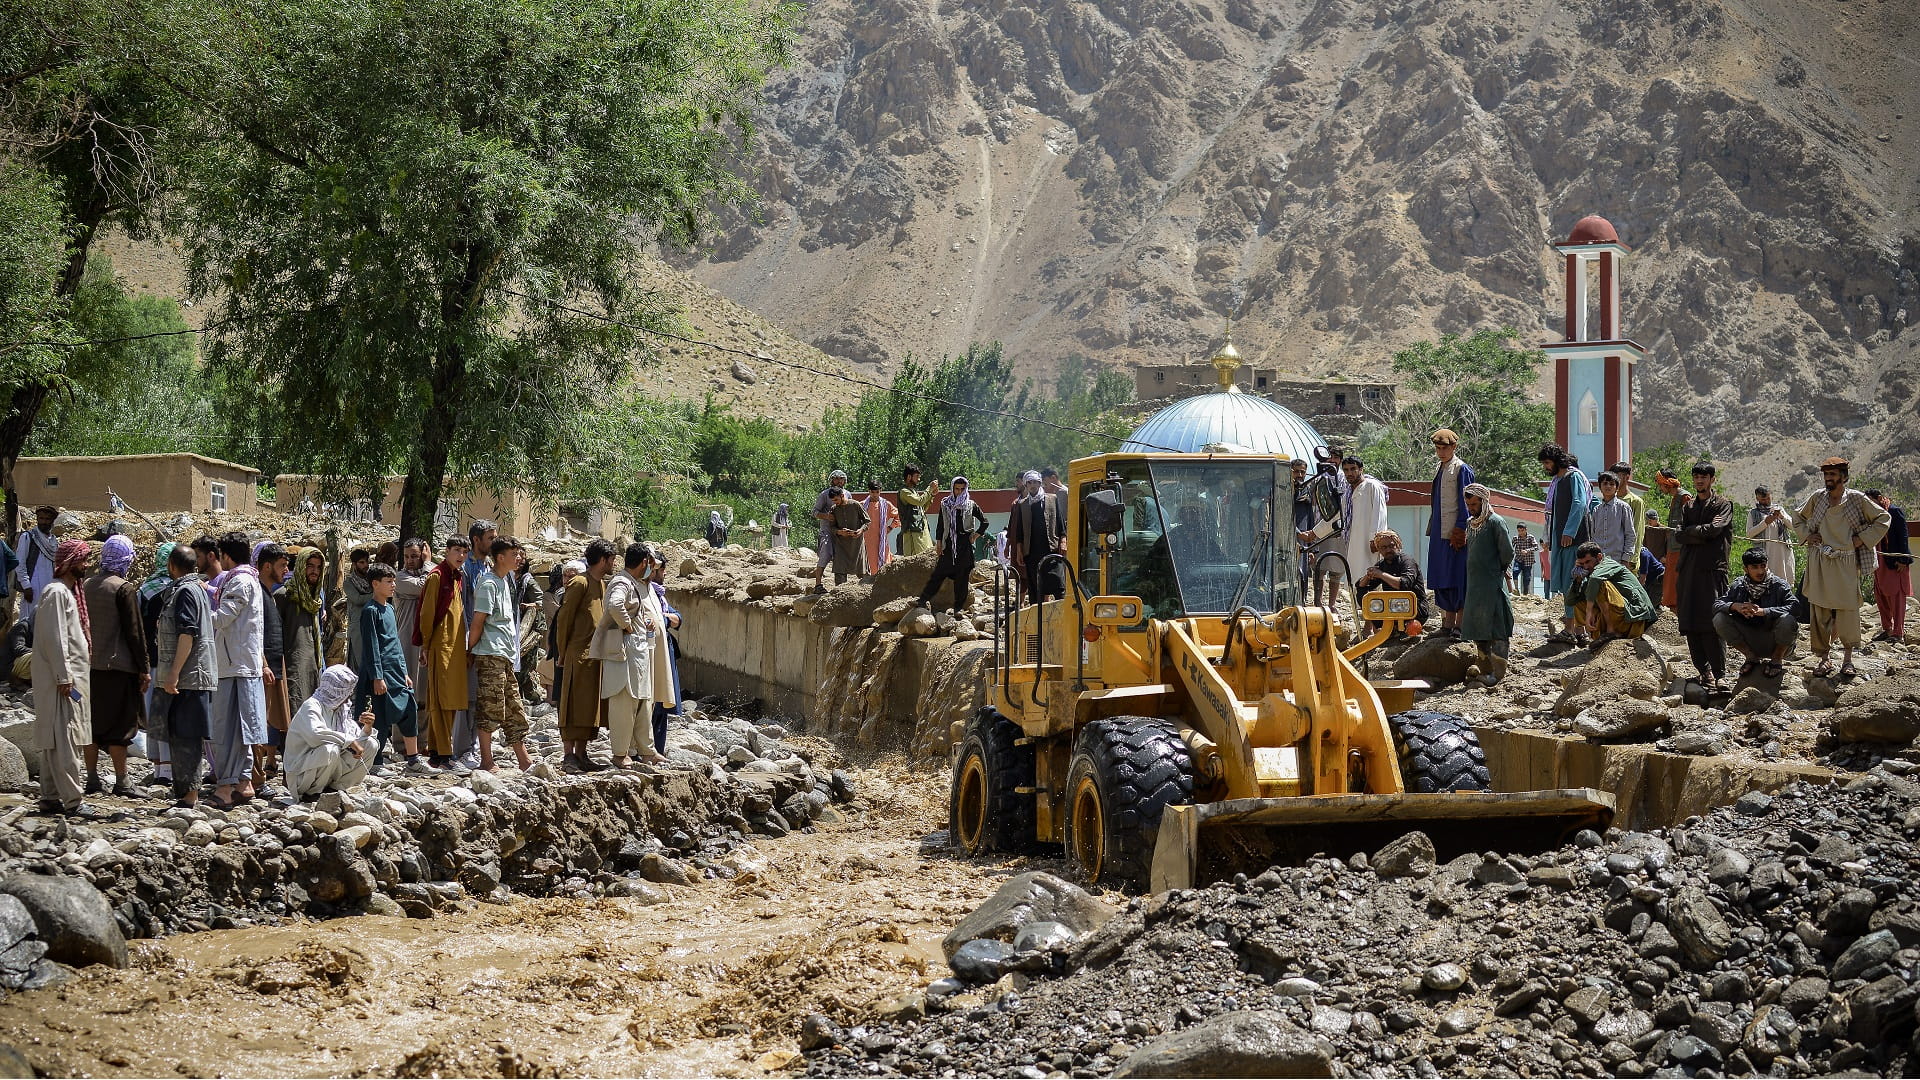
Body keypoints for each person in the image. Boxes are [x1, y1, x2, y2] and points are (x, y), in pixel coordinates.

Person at [1792, 457, 1890, 679]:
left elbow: (1883, 518)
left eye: (1833, 475)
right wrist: (1808, 535)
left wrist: (1861, 539)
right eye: (1826, 475)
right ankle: (1824, 659)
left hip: (1846, 561)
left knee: (1847, 610)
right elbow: (1797, 516)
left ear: (1843, 477)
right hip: (1819, 560)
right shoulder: (1817, 498)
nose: (1829, 479)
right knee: (1819, 610)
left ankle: (1847, 660)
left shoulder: (1856, 499)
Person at [355, 561, 436, 775]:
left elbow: (396, 643)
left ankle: (413, 760)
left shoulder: (390, 608)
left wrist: (405, 672)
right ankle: (376, 761)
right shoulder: (370, 611)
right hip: (380, 674)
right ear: (375, 584)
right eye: (388, 581)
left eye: (393, 581)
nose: (393, 585)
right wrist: (377, 677)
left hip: (396, 672)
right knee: (379, 717)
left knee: (409, 710)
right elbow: (372, 646)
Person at [31, 539, 93, 815]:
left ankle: (50, 796)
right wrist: (63, 677)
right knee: (65, 739)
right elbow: (56, 639)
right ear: (69, 562)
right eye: (83, 560)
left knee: (56, 739)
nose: (87, 565)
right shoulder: (56, 593)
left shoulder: (65, 592)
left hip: (69, 680)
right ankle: (74, 800)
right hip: (63, 682)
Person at [598, 543, 673, 767]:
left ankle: (646, 750)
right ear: (643, 563)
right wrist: (628, 625)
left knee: (643, 703)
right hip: (624, 655)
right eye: (650, 564)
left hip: (638, 653)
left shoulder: (635, 584)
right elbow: (614, 604)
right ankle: (620, 753)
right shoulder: (622, 582)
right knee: (624, 704)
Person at [83, 535, 146, 797]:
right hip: (118, 668)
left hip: (88, 667)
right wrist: (144, 668)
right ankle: (122, 781)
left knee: (91, 724)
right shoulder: (124, 588)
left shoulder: (86, 585)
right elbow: (134, 633)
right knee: (120, 727)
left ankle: (93, 779)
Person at [209, 532, 267, 808]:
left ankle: (225, 787)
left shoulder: (240, 581)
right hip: (243, 664)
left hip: (234, 667)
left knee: (228, 728)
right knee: (243, 727)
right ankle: (244, 783)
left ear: (226, 555)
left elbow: (222, 618)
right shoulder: (248, 580)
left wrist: (196, 613)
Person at [153, 544, 214, 807]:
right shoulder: (193, 588)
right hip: (192, 676)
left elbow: (187, 634)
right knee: (179, 733)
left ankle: (190, 796)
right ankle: (186, 792)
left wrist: (174, 674)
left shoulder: (187, 591)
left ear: (171, 566)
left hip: (189, 677)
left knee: (186, 735)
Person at [467, 539, 531, 772]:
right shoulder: (489, 584)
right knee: (491, 706)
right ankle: (486, 760)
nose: (519, 557)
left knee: (513, 706)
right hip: (490, 654)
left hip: (504, 655)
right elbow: (478, 622)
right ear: (500, 557)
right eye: (514, 554)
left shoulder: (505, 582)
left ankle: (524, 759)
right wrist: (470, 650)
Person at [555, 538, 616, 772]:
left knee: (589, 707)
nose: (613, 564)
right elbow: (564, 619)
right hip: (577, 654)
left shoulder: (600, 584)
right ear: (602, 560)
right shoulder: (579, 583)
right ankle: (568, 756)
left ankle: (582, 754)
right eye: (611, 560)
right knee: (572, 705)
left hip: (595, 655)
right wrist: (562, 651)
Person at [1673, 462, 1734, 690]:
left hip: (1712, 570)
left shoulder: (1723, 504)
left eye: (1704, 477)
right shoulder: (1688, 507)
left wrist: (1692, 532)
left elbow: (1715, 530)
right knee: (1689, 620)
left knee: (1712, 622)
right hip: (1688, 570)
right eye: (1696, 477)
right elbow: (1678, 535)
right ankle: (1703, 671)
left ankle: (1720, 674)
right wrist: (1698, 532)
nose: (1699, 481)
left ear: (1712, 480)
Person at [415, 536, 471, 773]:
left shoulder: (457, 577)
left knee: (450, 701)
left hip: (455, 647)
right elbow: (426, 615)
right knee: (441, 700)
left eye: (464, 552)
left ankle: (438, 753)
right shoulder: (437, 576)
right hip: (441, 645)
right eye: (456, 550)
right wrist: (426, 646)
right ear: (446, 551)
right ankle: (444, 754)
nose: (460, 556)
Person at [284, 665, 379, 801]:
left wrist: (367, 727)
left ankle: (335, 789)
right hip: (302, 773)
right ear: (335, 690)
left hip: (329, 769)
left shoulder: (340, 709)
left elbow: (356, 740)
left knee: (371, 744)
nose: (348, 697)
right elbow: (316, 735)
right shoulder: (311, 706)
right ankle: (312, 793)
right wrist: (350, 742)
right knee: (331, 748)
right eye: (346, 692)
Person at [1459, 484, 1515, 686]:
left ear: (1484, 501)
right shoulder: (1470, 523)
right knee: (1479, 629)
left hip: (1492, 584)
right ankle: (1485, 670)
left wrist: (1495, 571)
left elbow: (1507, 553)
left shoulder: (1495, 522)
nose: (1471, 508)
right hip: (1475, 586)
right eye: (1468, 504)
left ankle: (1498, 674)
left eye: (1474, 504)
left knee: (1497, 628)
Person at [1714, 548, 1797, 679]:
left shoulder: (1779, 585)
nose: (1760, 571)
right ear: (1746, 569)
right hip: (1751, 640)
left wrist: (1764, 612)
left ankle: (1776, 659)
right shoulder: (1738, 585)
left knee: (1788, 619)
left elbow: (1796, 608)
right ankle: (1750, 657)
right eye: (1754, 567)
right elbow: (1717, 605)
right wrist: (1735, 606)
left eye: (1763, 566)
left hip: (1776, 640)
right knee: (1719, 618)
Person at [136, 542, 179, 789]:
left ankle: (159, 769)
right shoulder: (176, 589)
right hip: (172, 663)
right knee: (169, 716)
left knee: (155, 716)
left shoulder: (145, 590)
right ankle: (168, 769)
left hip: (150, 661)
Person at [1539, 443, 1591, 641]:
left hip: (1574, 541)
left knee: (1573, 585)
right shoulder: (1558, 481)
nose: (1546, 467)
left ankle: (1572, 630)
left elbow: (1579, 503)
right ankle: (1577, 630)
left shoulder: (1573, 477)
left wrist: (1569, 531)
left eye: (1547, 462)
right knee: (1567, 585)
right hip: (1562, 542)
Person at [1426, 429, 1475, 637]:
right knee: (1441, 576)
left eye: (1444, 448)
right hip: (1439, 531)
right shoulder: (1441, 468)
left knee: (1458, 577)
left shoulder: (1461, 469)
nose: (1441, 452)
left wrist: (1461, 529)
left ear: (1454, 447)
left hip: (1455, 534)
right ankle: (1447, 623)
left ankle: (1460, 624)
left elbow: (1468, 503)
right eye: (1438, 448)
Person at [918, 477, 989, 614]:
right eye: (957, 489)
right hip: (949, 544)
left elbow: (984, 522)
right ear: (952, 488)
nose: (959, 492)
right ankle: (922, 600)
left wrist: (975, 535)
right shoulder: (945, 504)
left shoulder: (970, 504)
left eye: (962, 489)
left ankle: (958, 608)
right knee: (938, 574)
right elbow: (940, 525)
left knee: (962, 579)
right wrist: (939, 543)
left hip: (964, 545)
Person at [1566, 541, 1657, 645]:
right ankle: (1604, 633)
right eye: (1582, 564)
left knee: (1601, 584)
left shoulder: (1607, 565)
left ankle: (1611, 631)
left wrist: (1589, 612)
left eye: (1588, 562)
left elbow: (1596, 578)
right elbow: (1570, 601)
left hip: (1636, 616)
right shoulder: (1589, 575)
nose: (1586, 567)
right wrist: (1578, 580)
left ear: (1599, 557)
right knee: (1579, 601)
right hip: (1622, 618)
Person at [255, 542, 290, 785]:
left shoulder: (268, 593)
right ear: (267, 566)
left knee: (276, 721)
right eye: (281, 566)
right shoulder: (258, 593)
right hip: (265, 670)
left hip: (276, 668)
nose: (286, 570)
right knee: (259, 723)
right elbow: (255, 634)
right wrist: (264, 664)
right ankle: (255, 778)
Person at [644, 548, 684, 758]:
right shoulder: (641, 589)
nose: (664, 573)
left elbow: (676, 618)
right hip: (649, 651)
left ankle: (656, 750)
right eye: (661, 569)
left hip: (662, 650)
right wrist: (665, 619)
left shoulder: (658, 594)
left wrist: (665, 618)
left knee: (661, 705)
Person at [1354, 531, 1431, 637]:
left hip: (1414, 610)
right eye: (1384, 547)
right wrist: (1368, 576)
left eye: (1391, 546)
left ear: (1398, 545)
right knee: (1363, 593)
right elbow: (1360, 585)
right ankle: (1386, 628)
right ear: (1379, 550)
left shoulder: (1407, 561)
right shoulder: (1382, 565)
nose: (1388, 550)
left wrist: (1381, 574)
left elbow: (1404, 584)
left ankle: (1401, 630)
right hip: (1391, 610)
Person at [1009, 470, 1065, 604]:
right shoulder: (1023, 504)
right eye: (1029, 483)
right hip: (1032, 552)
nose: (1032, 485)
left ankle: (1063, 619)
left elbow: (1060, 523)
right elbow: (1020, 532)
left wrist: (1063, 540)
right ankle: (1038, 621)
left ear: (1040, 483)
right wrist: (1019, 551)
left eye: (1035, 482)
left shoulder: (1052, 499)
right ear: (1026, 485)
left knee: (1058, 586)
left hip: (1050, 549)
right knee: (1035, 589)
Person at [1340, 456, 1389, 597]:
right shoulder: (1347, 492)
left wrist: (1376, 539)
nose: (1349, 473)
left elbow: (1379, 514)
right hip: (1352, 543)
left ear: (1361, 469)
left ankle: (1372, 616)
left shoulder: (1372, 486)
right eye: (1346, 470)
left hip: (1370, 545)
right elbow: (1338, 517)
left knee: (1371, 578)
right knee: (1356, 579)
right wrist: (1314, 533)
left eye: (1353, 469)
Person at [1869, 489, 1912, 644]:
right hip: (1879, 561)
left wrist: (1903, 559)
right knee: (1881, 596)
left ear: (1879, 498)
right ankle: (1887, 629)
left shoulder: (1894, 511)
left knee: (1896, 597)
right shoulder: (1872, 516)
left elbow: (1903, 535)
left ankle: (1898, 632)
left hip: (1895, 562)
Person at [12, 505, 61, 625]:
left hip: (49, 586)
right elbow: (20, 563)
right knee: (29, 622)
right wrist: (26, 586)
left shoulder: (54, 541)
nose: (43, 522)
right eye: (41, 518)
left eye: (47, 519)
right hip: (33, 587)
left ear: (52, 521)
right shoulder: (28, 537)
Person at [512, 545, 547, 705]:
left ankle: (531, 697)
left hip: (530, 630)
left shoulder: (528, 581)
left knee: (526, 665)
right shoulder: (512, 579)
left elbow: (540, 601)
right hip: (517, 627)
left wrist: (529, 605)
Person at [548, 558, 584, 709]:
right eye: (565, 576)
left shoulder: (582, 598)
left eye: (571, 576)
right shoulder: (563, 596)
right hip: (561, 652)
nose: (567, 580)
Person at [394, 539, 430, 686]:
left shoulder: (431, 571)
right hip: (407, 635)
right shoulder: (400, 577)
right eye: (406, 556)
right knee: (407, 681)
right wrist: (427, 564)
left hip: (427, 636)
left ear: (423, 554)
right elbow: (424, 587)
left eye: (414, 556)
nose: (409, 560)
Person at [811, 469, 850, 593]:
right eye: (836, 478)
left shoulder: (847, 494)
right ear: (831, 480)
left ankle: (841, 586)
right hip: (827, 531)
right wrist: (827, 516)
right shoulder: (824, 494)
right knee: (825, 556)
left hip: (841, 532)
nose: (838, 481)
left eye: (841, 479)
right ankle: (818, 585)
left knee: (841, 558)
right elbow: (814, 512)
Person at [1746, 486, 1795, 582]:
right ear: (1757, 498)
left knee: (1784, 582)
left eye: (1768, 498)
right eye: (1763, 499)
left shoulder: (1779, 509)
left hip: (1783, 553)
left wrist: (1782, 516)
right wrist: (1765, 523)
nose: (1767, 501)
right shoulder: (1753, 513)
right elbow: (1749, 534)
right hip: (1766, 553)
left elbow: (1793, 526)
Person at [1588, 471, 1637, 566]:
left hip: (1617, 560)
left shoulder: (1623, 507)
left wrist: (1626, 558)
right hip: (1599, 561)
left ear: (1616, 488)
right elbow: (1593, 536)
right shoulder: (1596, 510)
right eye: (1605, 483)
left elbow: (1630, 535)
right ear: (1600, 487)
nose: (1608, 486)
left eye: (1612, 484)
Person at [824, 487, 870, 586]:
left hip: (856, 545)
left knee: (863, 574)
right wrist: (839, 532)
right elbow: (832, 527)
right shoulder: (834, 509)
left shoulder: (855, 505)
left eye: (836, 500)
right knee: (839, 572)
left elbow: (867, 521)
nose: (835, 502)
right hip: (841, 545)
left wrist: (860, 530)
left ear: (842, 496)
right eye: (833, 501)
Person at [342, 548, 374, 673]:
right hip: (358, 627)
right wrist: (377, 593)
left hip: (373, 623)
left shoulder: (371, 579)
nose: (365, 565)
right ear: (354, 564)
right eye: (361, 562)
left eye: (366, 562)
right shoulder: (348, 583)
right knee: (359, 664)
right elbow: (357, 599)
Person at [895, 464, 937, 557]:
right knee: (916, 559)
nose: (918, 479)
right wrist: (929, 488)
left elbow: (922, 509)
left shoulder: (913, 491)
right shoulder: (904, 492)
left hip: (921, 531)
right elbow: (919, 501)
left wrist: (932, 495)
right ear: (909, 477)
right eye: (917, 476)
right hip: (912, 534)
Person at [860, 480, 899, 574]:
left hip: (881, 540)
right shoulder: (861, 505)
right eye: (872, 492)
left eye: (877, 492)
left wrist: (890, 527)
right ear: (869, 491)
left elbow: (898, 516)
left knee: (885, 563)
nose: (875, 494)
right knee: (869, 565)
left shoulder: (886, 505)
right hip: (867, 541)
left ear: (880, 491)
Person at [1511, 524, 1539, 597]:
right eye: (1519, 531)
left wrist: (1527, 550)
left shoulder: (1530, 537)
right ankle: (1516, 589)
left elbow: (1536, 547)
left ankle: (1525, 594)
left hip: (1528, 561)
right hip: (1518, 559)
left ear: (1526, 529)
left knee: (1526, 578)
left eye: (1522, 530)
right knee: (1515, 572)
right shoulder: (1515, 538)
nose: (1520, 532)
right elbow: (1510, 547)